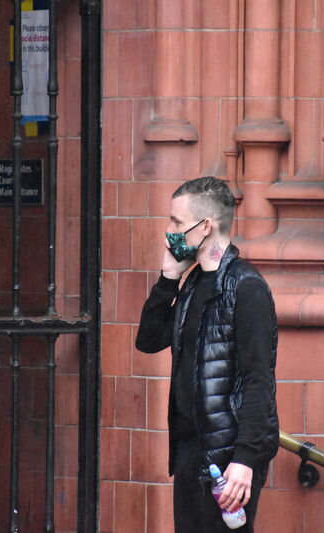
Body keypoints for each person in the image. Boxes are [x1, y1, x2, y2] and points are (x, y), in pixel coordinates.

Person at [135, 176, 279, 532]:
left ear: (206, 226)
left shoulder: (246, 288)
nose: (170, 231)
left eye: (177, 222)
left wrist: (245, 460)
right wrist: (169, 278)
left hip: (228, 458)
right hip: (189, 451)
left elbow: (259, 381)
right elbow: (149, 339)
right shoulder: (192, 282)